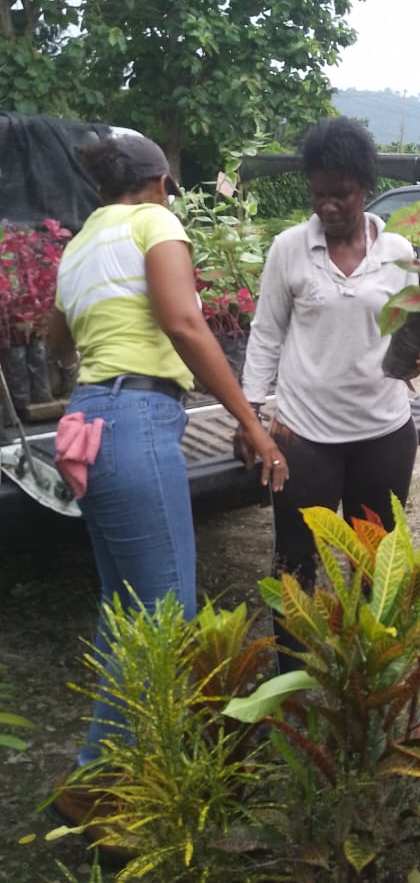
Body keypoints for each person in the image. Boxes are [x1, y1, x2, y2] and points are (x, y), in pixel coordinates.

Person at [48, 134, 288, 841]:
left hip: (85, 420)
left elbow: (56, 343)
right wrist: (251, 423)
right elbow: (184, 322)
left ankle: (121, 767)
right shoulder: (156, 222)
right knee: (163, 614)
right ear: (159, 182)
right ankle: (97, 783)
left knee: (124, 608)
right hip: (134, 420)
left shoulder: (79, 243)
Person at [240, 117, 420, 669]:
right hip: (305, 437)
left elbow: (413, 328)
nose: (327, 206)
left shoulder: (398, 251)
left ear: (365, 187)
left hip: (384, 432)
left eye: (341, 194)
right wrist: (250, 414)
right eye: (318, 194)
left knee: (376, 559)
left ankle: (367, 676)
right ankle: (294, 679)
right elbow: (267, 332)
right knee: (295, 559)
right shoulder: (289, 249)